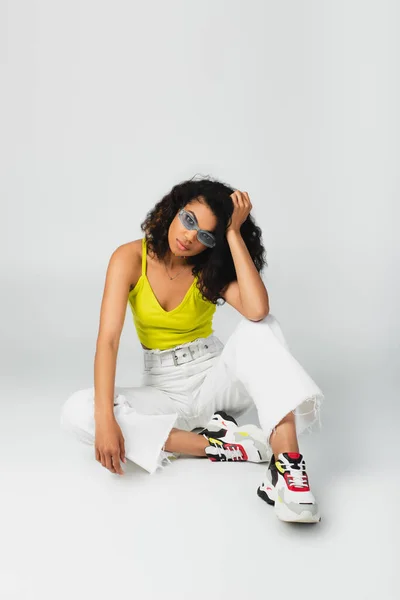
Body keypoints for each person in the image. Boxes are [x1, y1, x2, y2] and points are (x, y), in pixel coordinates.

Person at [60, 176, 325, 524]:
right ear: (173, 210)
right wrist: (106, 420)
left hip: (215, 381)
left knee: (261, 328)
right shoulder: (128, 258)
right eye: (188, 220)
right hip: (164, 391)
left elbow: (257, 309)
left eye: (205, 235)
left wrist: (233, 233)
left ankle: (287, 470)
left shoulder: (205, 269)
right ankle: (222, 446)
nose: (189, 236)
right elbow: (107, 341)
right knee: (77, 411)